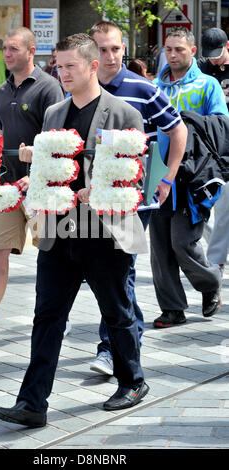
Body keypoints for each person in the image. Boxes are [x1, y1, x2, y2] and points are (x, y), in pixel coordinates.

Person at [0, 33, 150, 428]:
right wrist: (34, 175)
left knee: (116, 311)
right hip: (59, 229)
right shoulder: (54, 113)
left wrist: (95, 187)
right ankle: (33, 403)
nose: (62, 74)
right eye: (58, 66)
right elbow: (51, 169)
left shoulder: (123, 113)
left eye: (70, 66)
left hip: (105, 231)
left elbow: (136, 177)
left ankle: (133, 381)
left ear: (92, 66)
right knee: (47, 315)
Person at [88, 21, 187, 376]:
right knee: (107, 273)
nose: (110, 56)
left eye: (115, 49)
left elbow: (178, 130)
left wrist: (168, 178)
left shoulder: (142, 89)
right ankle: (125, 337)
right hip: (90, 200)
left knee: (120, 270)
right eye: (102, 49)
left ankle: (111, 347)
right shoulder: (81, 89)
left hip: (131, 200)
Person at [0, 27, 64, 350]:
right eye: (5, 48)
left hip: (43, 186)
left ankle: (60, 313)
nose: (7, 54)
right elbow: (3, 132)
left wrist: (35, 174)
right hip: (6, 186)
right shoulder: (3, 90)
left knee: (53, 255)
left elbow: (58, 140)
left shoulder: (50, 89)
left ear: (31, 51)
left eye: (14, 49)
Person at [150, 26, 228, 329]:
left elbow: (222, 126)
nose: (172, 54)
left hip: (194, 176)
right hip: (158, 173)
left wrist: (187, 122)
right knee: (160, 245)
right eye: (168, 49)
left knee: (183, 241)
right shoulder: (156, 87)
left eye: (179, 49)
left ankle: (211, 283)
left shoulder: (207, 85)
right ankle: (172, 308)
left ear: (192, 51)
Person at [198, 28, 229, 277]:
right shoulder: (201, 68)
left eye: (218, 55)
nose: (214, 60)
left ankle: (216, 260)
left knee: (225, 205)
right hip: (207, 145)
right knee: (205, 205)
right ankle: (216, 254)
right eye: (211, 56)